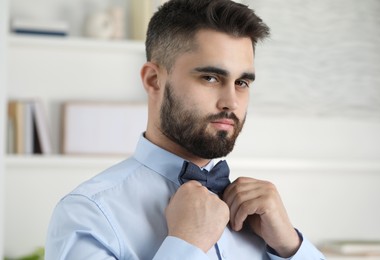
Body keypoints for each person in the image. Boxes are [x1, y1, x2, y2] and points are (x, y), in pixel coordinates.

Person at [46, 0, 326, 259]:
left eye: (242, 82)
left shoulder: (266, 224)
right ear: (154, 79)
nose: (231, 102)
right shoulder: (87, 215)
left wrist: (291, 246)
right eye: (210, 77)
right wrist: (185, 244)